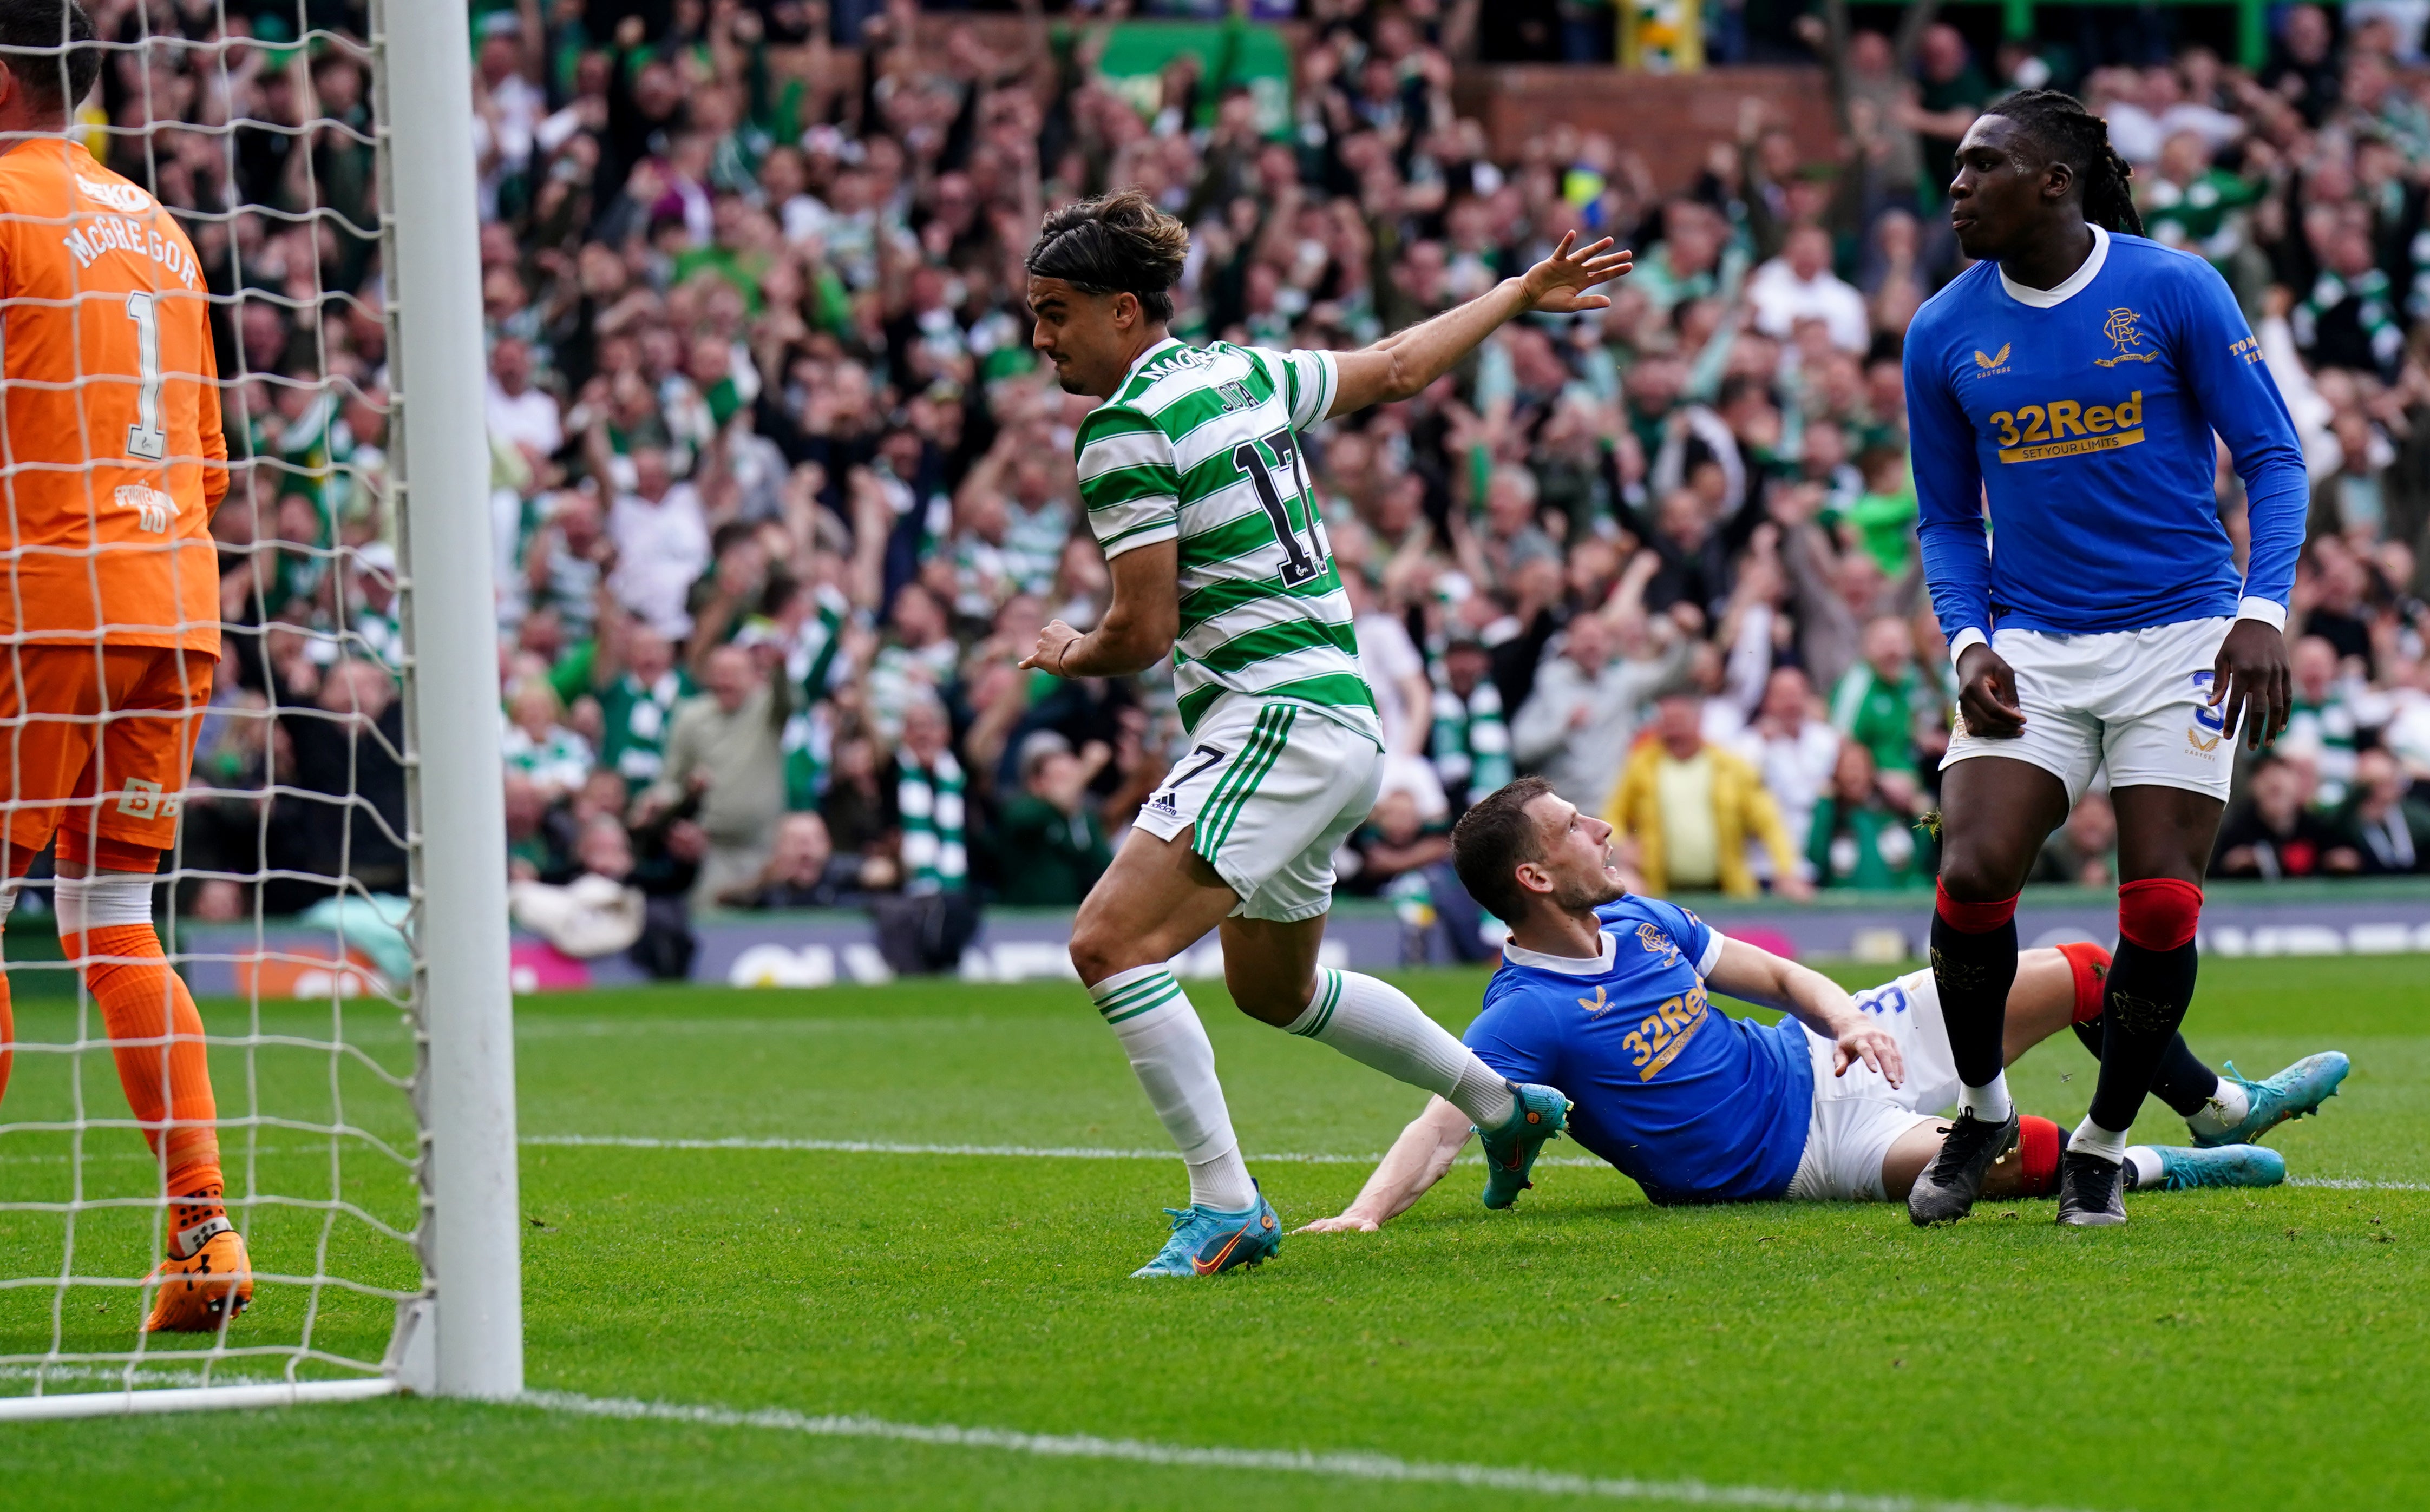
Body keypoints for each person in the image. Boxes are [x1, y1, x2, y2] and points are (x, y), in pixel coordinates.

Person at [1016, 189, 1628, 1277]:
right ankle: (1503, 1104)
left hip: (1274, 718)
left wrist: (1068, 649)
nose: (1040, 337)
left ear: (1123, 309)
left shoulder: (1122, 428)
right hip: (1338, 717)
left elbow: (1142, 631)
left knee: (1111, 945)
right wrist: (1518, 294)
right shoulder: (1241, 372)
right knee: (1273, 988)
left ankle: (1225, 1203)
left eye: (1055, 312)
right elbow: (1396, 365)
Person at [1298, 779, 2344, 1230]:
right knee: (2013, 1149)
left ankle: (2217, 1104)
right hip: (1797, 1159)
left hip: (1820, 1057)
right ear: (1532, 877)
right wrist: (1363, 1211)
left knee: (2076, 967)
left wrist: (1844, 1016)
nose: (1603, 827)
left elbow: (1779, 977)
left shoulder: (1645, 921)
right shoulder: (1524, 1009)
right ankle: (2168, 1165)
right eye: (1576, 826)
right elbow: (1441, 1116)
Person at [1902, 89, 2307, 1226]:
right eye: (1957, 167)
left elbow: (2273, 458)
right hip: (2029, 639)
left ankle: (2101, 1139)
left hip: (2182, 631)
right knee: (1974, 869)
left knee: (2161, 905)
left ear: (2055, 181)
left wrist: (2260, 608)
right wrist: (1969, 634)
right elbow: (1943, 516)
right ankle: (1982, 1113)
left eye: (1985, 164)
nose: (1958, 183)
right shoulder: (1942, 328)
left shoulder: (2173, 287)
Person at [0, 3, 246, 1332]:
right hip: (175, 605)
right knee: (107, 922)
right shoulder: (157, 222)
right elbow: (208, 462)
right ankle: (202, 1227)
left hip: (37, 603)